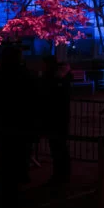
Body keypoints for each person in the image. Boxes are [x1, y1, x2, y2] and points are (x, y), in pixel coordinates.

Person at [0, 43, 35, 208]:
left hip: (4, 121)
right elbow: (32, 95)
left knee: (6, 156)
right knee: (18, 156)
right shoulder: (23, 74)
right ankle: (13, 193)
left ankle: (6, 189)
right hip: (20, 122)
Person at [40, 54, 72, 184]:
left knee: (58, 147)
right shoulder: (60, 77)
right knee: (59, 147)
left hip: (55, 116)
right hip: (59, 116)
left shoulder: (53, 79)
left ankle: (61, 174)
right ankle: (61, 174)